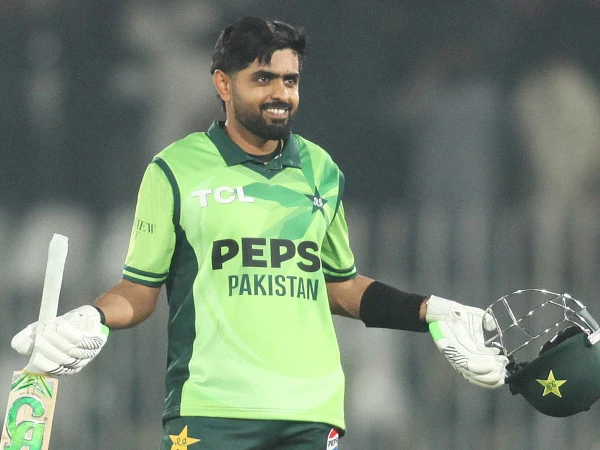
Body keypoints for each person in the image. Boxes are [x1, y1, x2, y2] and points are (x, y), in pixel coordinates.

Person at [11, 16, 508, 450]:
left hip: (310, 413)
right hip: (210, 411)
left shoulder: (321, 170)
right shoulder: (174, 169)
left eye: (290, 80)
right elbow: (139, 291)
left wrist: (431, 312)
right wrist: (92, 319)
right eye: (263, 78)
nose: (281, 94)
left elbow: (340, 287)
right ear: (223, 84)